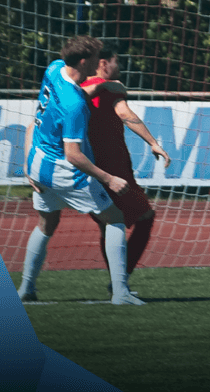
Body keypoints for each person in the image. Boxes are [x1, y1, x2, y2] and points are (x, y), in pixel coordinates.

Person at [18, 36, 144, 305]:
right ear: (85, 62)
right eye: (97, 58)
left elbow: (44, 115)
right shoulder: (74, 105)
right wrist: (109, 178)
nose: (101, 62)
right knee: (115, 218)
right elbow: (73, 155)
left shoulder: (53, 68)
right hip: (64, 171)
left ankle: (26, 289)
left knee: (47, 223)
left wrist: (104, 84)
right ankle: (121, 293)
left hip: (38, 163)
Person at [81, 46, 171, 295]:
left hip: (86, 168)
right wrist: (153, 142)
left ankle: (117, 282)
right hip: (114, 169)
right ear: (103, 63)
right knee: (145, 218)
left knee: (106, 224)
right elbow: (125, 114)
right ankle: (121, 280)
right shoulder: (109, 87)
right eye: (116, 61)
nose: (118, 66)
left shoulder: (74, 88)